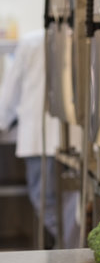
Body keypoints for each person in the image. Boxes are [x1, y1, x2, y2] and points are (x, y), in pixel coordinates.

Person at [0, 29, 80, 248]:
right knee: (71, 202)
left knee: (45, 200)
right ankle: (68, 247)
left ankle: (66, 249)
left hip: (39, 139)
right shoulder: (78, 38)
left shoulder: (30, 42)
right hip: (73, 140)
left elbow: (11, 89)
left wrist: (3, 121)